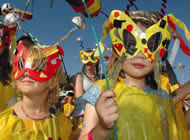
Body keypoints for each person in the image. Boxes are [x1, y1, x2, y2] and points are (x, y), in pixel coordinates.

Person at [79, 10, 190, 140]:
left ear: (160, 53)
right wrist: (102, 128)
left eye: (151, 45)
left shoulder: (163, 98)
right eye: (131, 44)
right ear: (116, 50)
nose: (140, 54)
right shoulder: (101, 92)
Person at [0, 43, 72, 140]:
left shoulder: (63, 124)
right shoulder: (3, 123)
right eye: (22, 65)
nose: (26, 72)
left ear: (53, 82)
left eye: (37, 67)